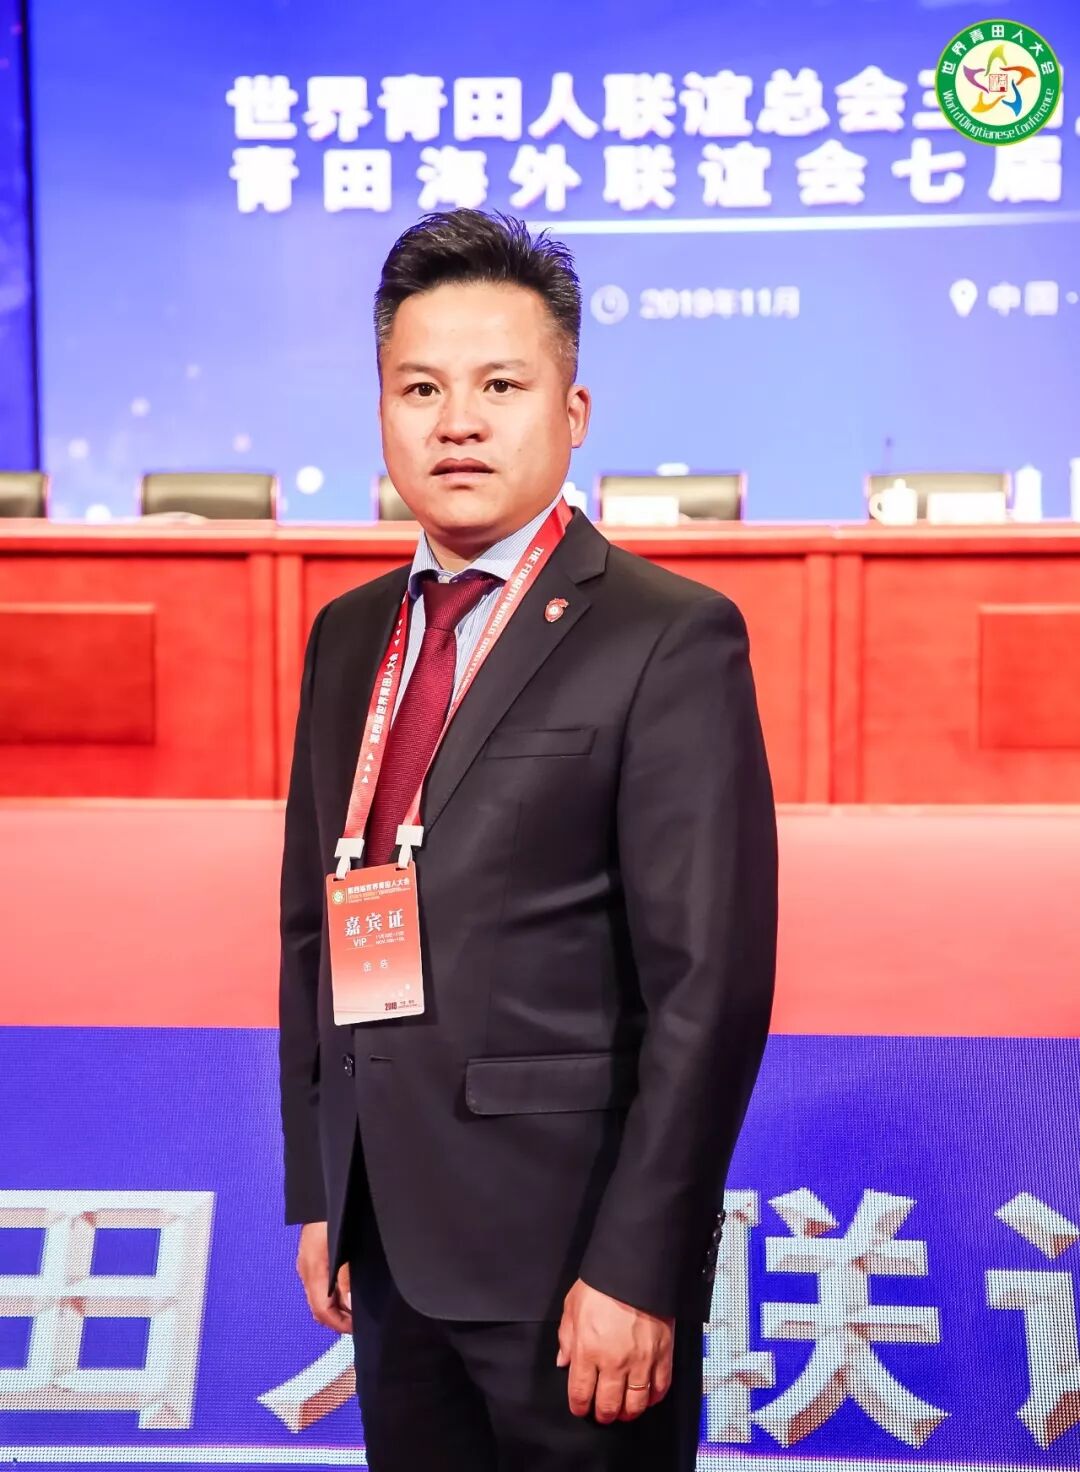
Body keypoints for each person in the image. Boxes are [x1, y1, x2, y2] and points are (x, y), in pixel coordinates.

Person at [278, 208, 777, 1472]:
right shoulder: (349, 636)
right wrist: (322, 1185)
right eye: (421, 389)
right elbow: (312, 927)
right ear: (381, 409)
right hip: (388, 1243)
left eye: (500, 385)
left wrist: (641, 1264)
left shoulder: (667, 636)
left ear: (574, 409)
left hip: (571, 1265)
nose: (458, 422)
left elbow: (708, 987)